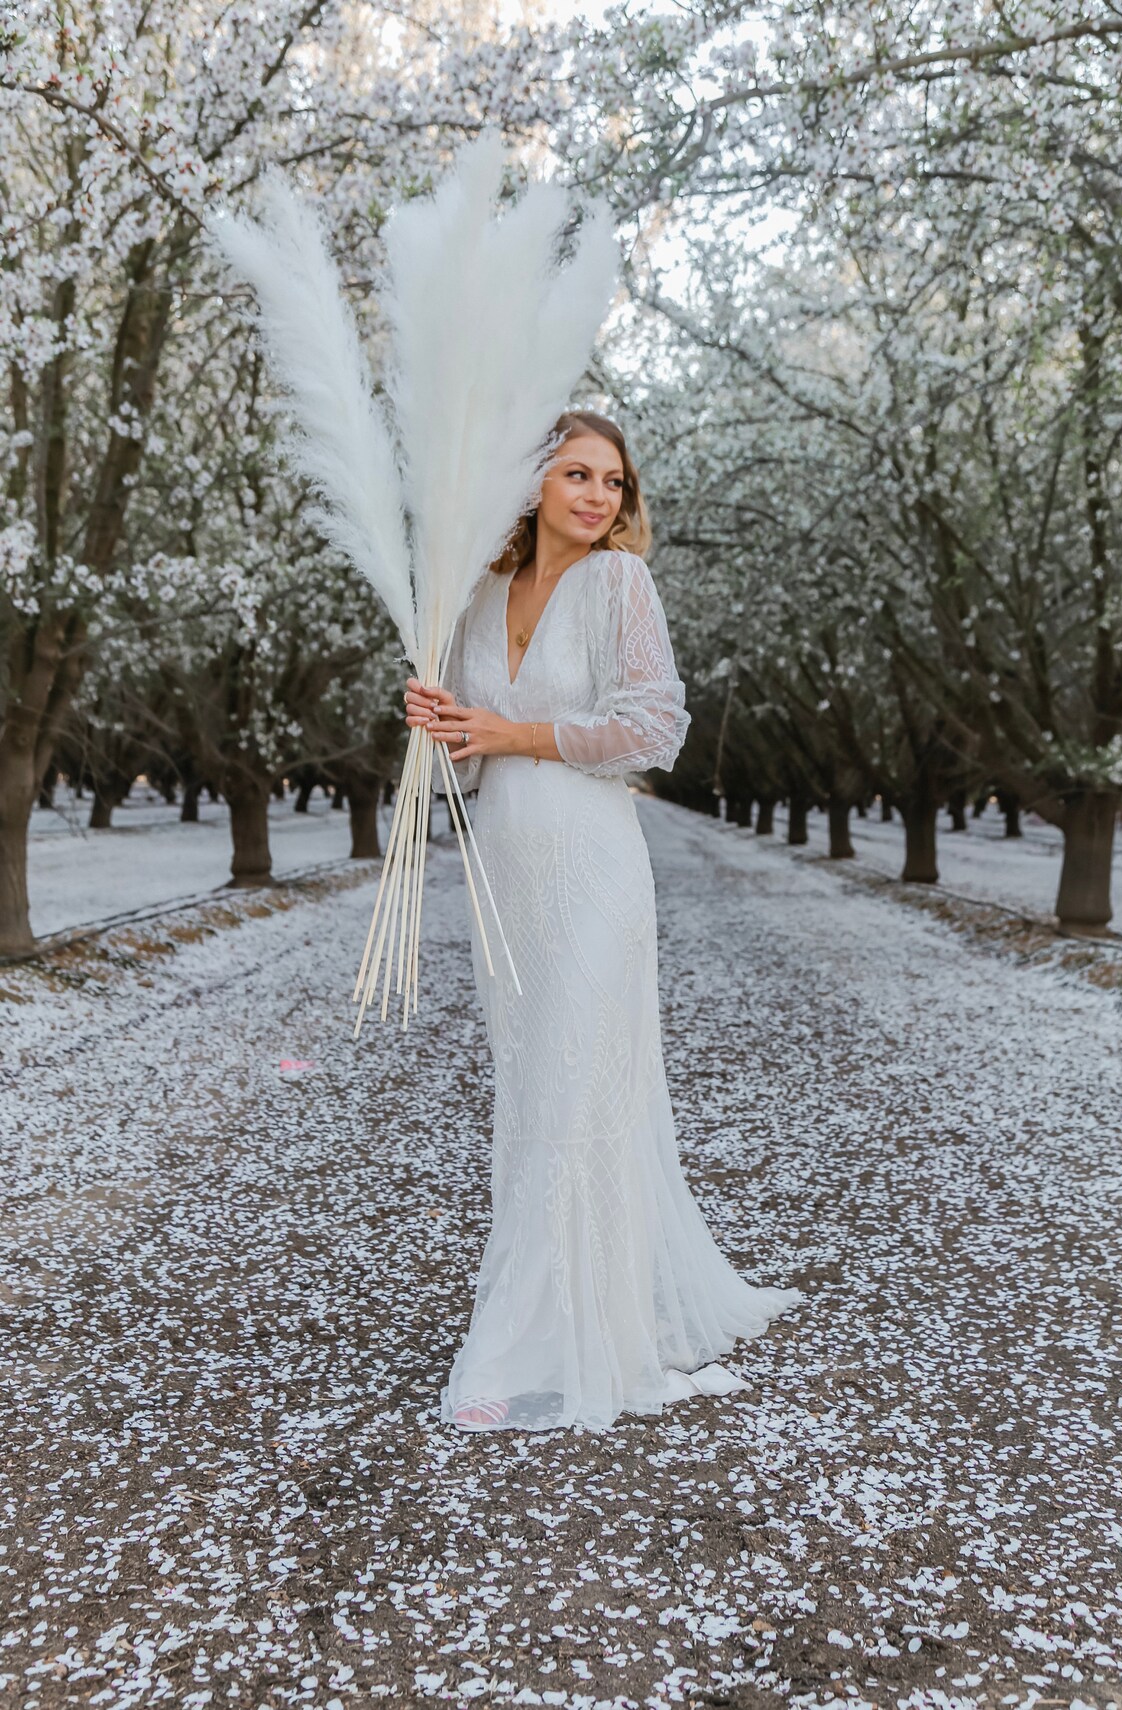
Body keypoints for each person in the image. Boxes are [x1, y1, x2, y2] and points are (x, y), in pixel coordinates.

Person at [404, 409, 802, 1431]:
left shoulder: (620, 582)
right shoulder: (480, 593)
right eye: (576, 474)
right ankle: (571, 1308)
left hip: (594, 870)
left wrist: (510, 728)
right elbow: (473, 754)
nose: (596, 496)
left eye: (613, 481)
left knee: (577, 1092)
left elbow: (651, 728)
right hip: (507, 873)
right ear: (531, 484)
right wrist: (442, 727)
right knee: (535, 1092)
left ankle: (540, 1343)